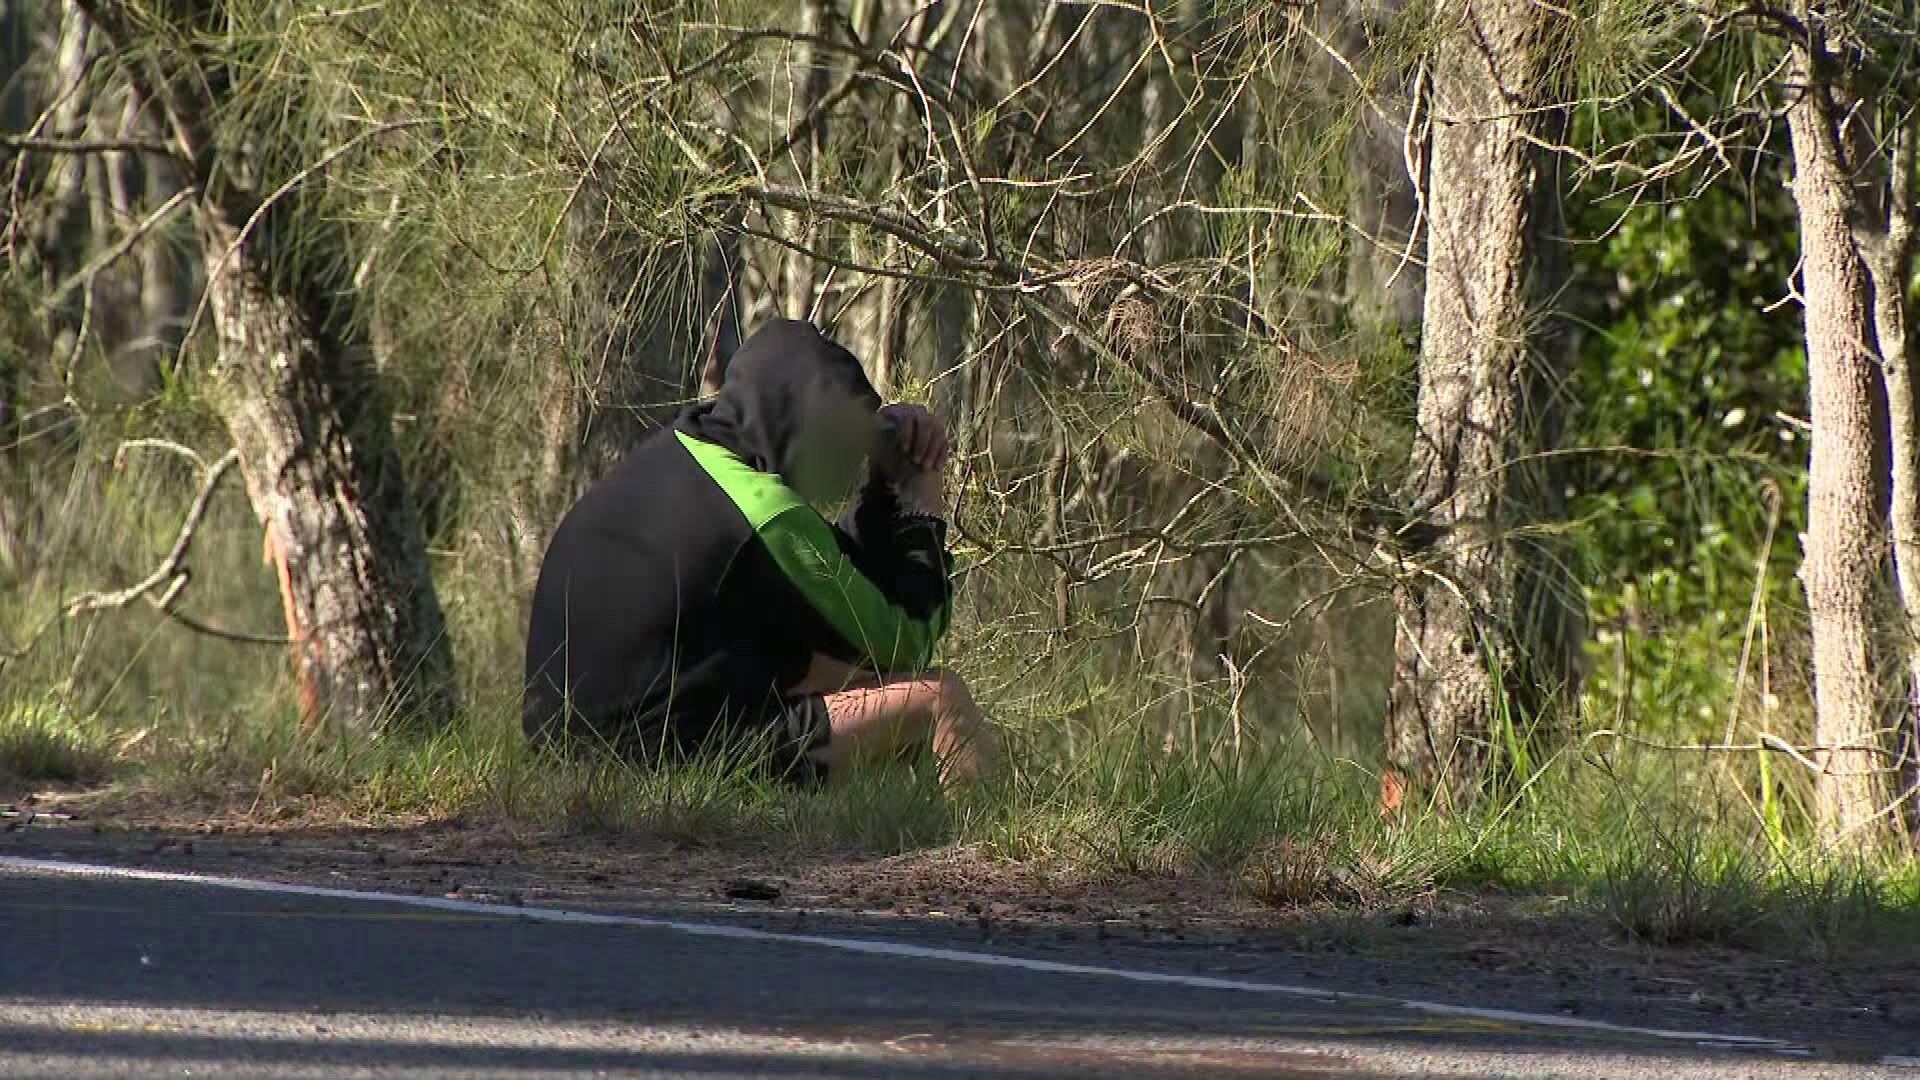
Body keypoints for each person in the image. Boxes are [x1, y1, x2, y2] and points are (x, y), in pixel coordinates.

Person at [522, 318, 994, 788]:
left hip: (563, 761)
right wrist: (918, 509)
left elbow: (832, 580)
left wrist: (877, 492)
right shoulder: (763, 512)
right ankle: (984, 830)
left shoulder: (682, 457)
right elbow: (906, 636)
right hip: (662, 768)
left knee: (828, 670)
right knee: (938, 698)